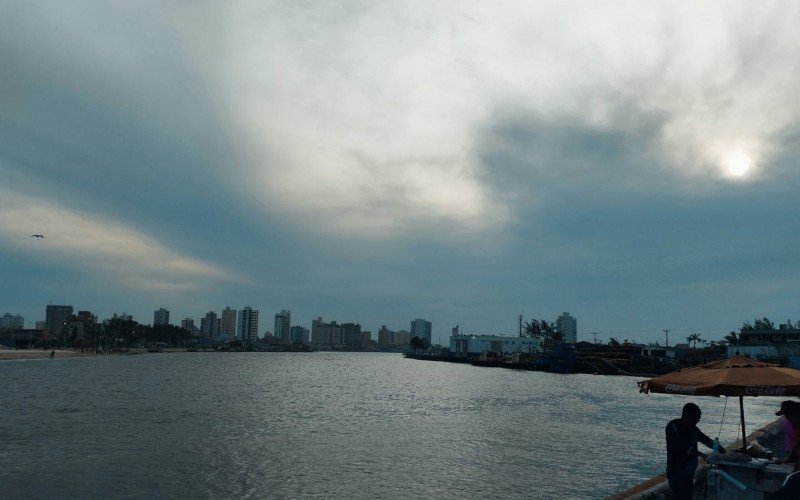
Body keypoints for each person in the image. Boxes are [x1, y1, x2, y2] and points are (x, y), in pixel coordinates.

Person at [666, 402, 726, 499]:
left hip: (689, 472)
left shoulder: (693, 429)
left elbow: (706, 440)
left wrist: (723, 452)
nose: (697, 421)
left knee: (688, 495)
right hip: (676, 471)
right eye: (695, 419)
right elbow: (683, 447)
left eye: (698, 419)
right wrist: (703, 456)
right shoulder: (673, 426)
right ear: (686, 416)